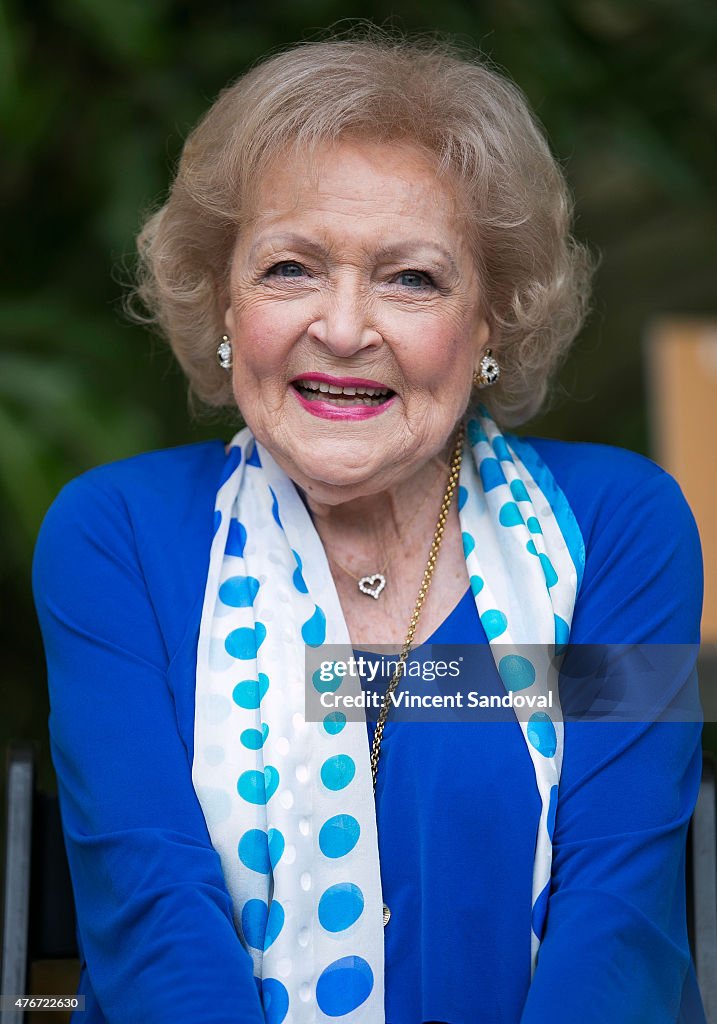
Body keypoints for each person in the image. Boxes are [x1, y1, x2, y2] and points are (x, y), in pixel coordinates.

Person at [31, 29, 707, 1024]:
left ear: (490, 325)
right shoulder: (117, 538)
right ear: (226, 302)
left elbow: (620, 913)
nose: (345, 329)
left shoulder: (617, 529)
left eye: (412, 278)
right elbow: (154, 915)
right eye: (291, 268)